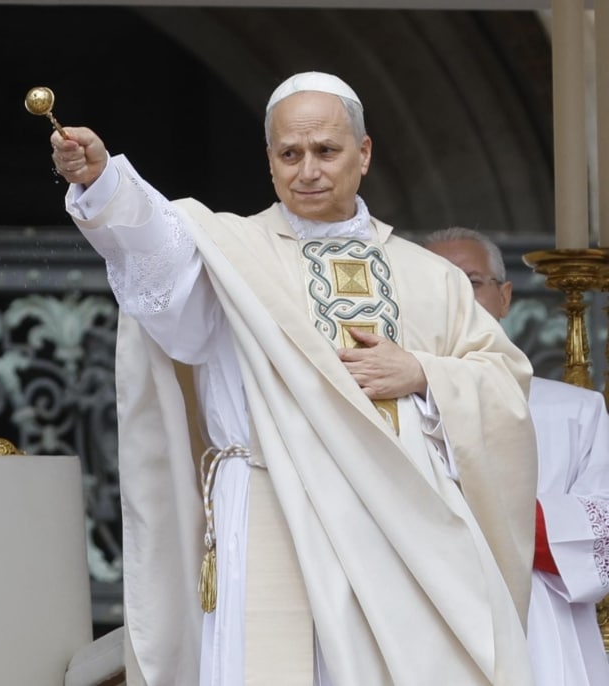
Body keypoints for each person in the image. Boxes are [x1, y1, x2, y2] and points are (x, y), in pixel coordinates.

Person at [49, 71, 538, 685]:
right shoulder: (229, 253)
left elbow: (504, 386)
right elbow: (155, 243)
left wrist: (420, 372)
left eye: (326, 151)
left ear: (363, 154)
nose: (308, 169)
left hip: (401, 526)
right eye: (290, 153)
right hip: (266, 499)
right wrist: (103, 183)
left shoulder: (428, 276)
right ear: (270, 160)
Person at [424, 226, 609, 686]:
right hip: (426, 615)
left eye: (469, 281)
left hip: (541, 621)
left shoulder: (575, 410)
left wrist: (472, 515)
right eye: (433, 282)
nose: (454, 297)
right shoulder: (391, 406)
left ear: (504, 298)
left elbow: (603, 527)